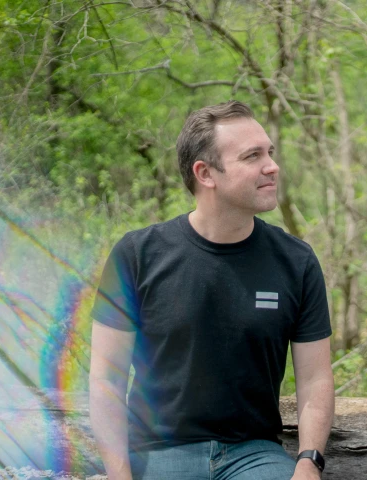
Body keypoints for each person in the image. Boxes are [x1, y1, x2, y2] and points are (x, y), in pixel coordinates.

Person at [88, 100, 334, 480]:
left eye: (269, 152)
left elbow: (315, 378)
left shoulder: (296, 261)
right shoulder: (137, 256)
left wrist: (308, 461)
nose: (272, 165)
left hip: (254, 455)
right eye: (252, 156)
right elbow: (106, 380)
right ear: (205, 173)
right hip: (158, 453)